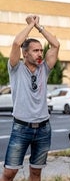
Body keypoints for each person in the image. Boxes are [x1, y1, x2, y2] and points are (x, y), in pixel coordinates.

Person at [0, 15, 60, 181]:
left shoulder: (44, 68)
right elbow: (16, 43)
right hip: (21, 128)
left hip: (43, 128)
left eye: (41, 50)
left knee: (36, 173)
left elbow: (55, 44)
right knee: (9, 173)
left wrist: (39, 27)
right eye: (35, 50)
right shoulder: (15, 68)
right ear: (25, 54)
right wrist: (30, 25)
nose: (40, 53)